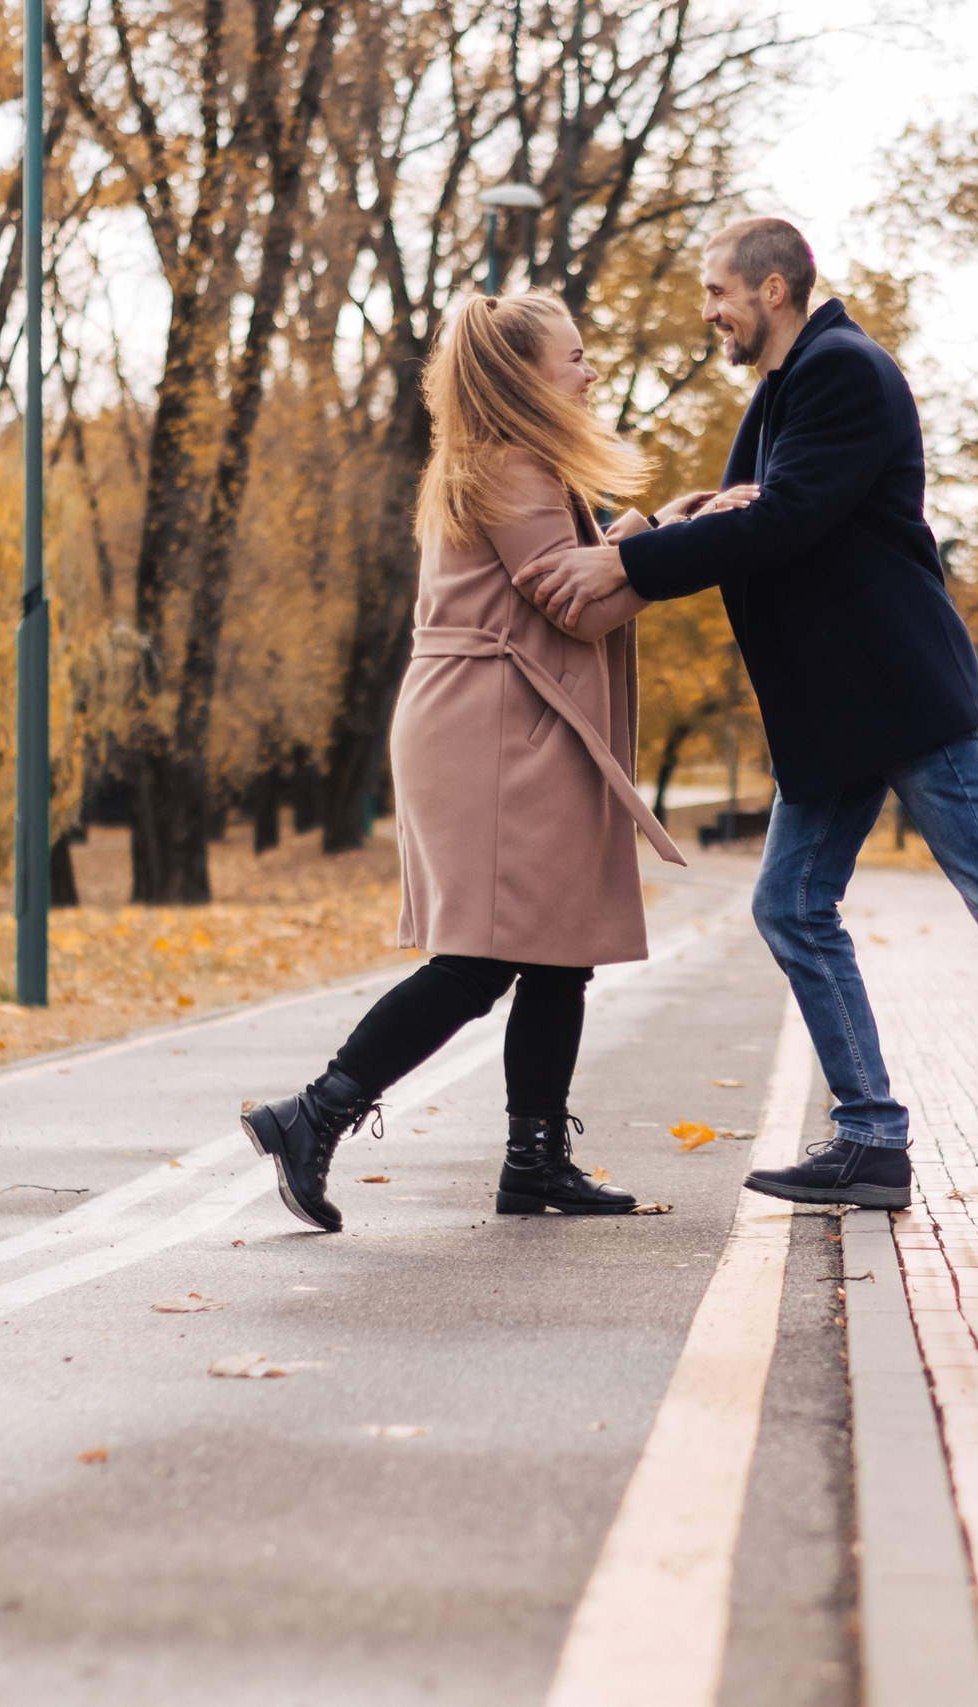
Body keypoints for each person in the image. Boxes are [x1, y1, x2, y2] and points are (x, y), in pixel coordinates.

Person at [522, 218, 978, 1217]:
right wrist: (692, 517)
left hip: (894, 695)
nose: (707, 311)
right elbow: (755, 512)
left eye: (717, 291)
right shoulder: (781, 391)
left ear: (774, 289)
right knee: (789, 906)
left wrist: (626, 561)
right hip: (838, 710)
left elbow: (784, 522)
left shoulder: (843, 370)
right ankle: (868, 1139)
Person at [244, 290, 739, 1232]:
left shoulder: (501, 462)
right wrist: (685, 545)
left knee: (558, 953)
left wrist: (657, 526)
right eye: (575, 357)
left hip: (506, 720)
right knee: (481, 958)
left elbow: (566, 572)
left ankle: (535, 1161)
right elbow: (580, 607)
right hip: (497, 730)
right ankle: (312, 1114)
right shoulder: (511, 465)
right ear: (525, 376)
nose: (590, 371)